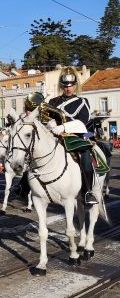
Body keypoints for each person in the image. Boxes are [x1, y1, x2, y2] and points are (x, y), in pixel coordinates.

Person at [46, 67, 96, 205]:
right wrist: (51, 125)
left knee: (85, 154)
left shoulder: (82, 101)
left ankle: (88, 191)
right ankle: (24, 185)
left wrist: (63, 127)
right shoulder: (53, 102)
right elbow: (49, 119)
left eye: (71, 85)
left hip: (75, 137)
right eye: (65, 85)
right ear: (61, 85)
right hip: (56, 137)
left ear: (75, 85)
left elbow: (83, 122)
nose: (68, 88)